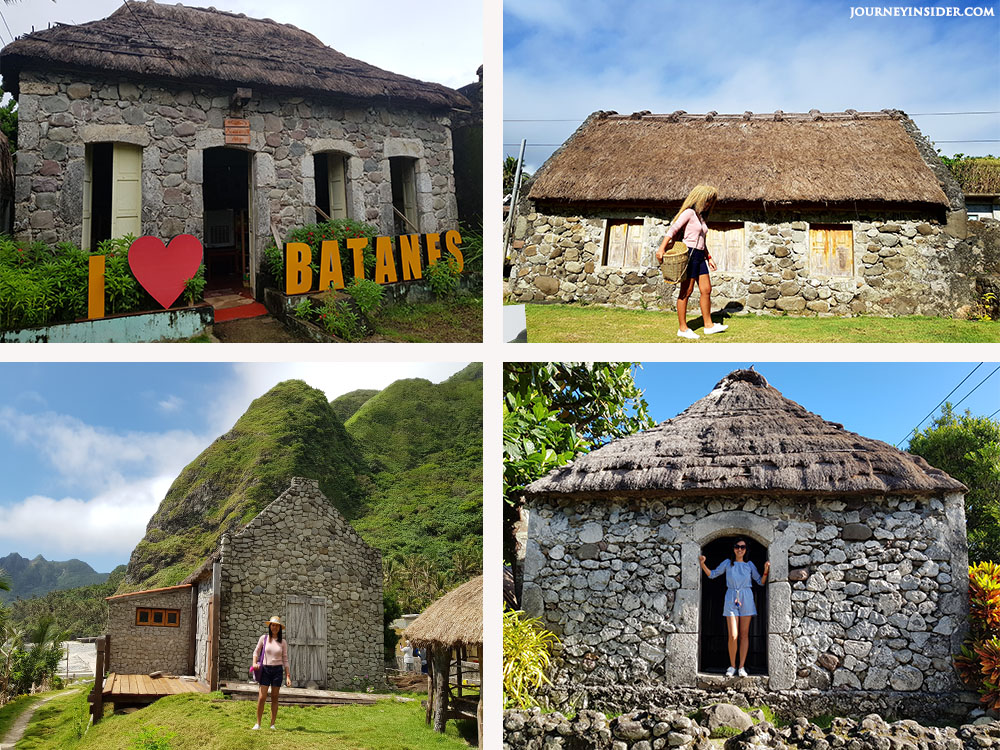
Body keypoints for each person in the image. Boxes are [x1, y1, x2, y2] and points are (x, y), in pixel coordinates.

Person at [655, 184, 728, 339]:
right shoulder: (689, 213)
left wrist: (709, 257)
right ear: (699, 198)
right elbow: (673, 229)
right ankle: (682, 328)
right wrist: (661, 249)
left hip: (700, 255)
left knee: (706, 289)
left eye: (711, 202)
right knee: (686, 292)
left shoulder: (701, 217)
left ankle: (708, 325)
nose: (708, 204)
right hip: (689, 255)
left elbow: (701, 240)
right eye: (707, 200)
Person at [699, 540, 769, 677]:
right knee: (733, 635)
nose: (740, 549)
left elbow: (760, 582)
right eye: (737, 546)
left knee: (744, 635)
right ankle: (732, 666)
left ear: (746, 549)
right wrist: (702, 564)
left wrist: (766, 570)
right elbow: (712, 574)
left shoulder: (749, 565)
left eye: (742, 547)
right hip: (731, 597)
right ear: (733, 549)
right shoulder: (727, 563)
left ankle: (741, 667)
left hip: (746, 598)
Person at [251, 615, 291, 730]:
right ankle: (258, 723)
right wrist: (254, 663)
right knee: (262, 697)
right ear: (270, 626)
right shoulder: (263, 638)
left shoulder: (283, 642)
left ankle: (272, 724)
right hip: (265, 670)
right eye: (273, 625)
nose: (275, 627)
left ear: (279, 628)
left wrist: (288, 676)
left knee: (274, 697)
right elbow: (256, 652)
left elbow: (285, 660)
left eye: (277, 626)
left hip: (277, 671)